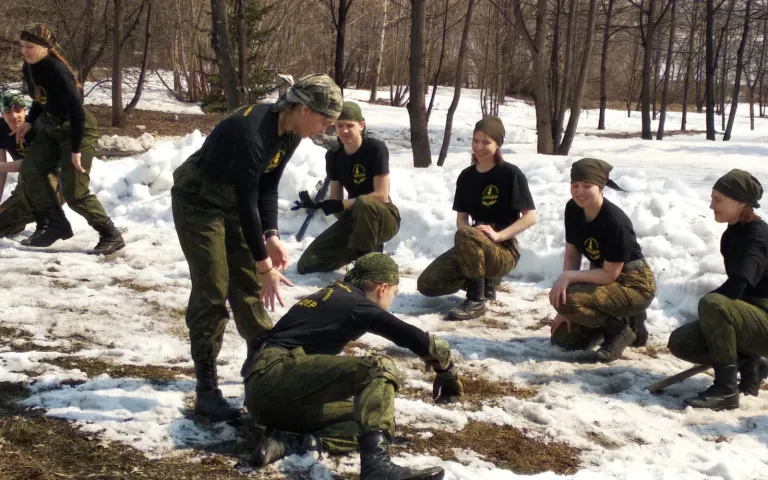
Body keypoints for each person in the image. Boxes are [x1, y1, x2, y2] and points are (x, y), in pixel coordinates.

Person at [171, 74, 342, 423]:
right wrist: (265, 265)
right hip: (199, 200)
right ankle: (206, 390)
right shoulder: (251, 133)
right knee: (213, 288)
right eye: (325, 119)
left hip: (236, 202)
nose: (327, 128)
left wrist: (272, 235)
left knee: (246, 284)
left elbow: (267, 186)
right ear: (304, 108)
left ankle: (261, 366)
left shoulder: (291, 132)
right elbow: (247, 201)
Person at [242, 253, 458, 480]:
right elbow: (413, 337)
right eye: (394, 293)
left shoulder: (333, 294)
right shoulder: (356, 302)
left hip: (266, 395)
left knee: (371, 419)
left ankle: (290, 442)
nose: (392, 301)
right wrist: (447, 369)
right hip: (274, 375)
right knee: (377, 367)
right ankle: (377, 468)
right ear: (383, 288)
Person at [11, 24, 124, 254]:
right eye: (22, 46)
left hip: (77, 130)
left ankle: (110, 234)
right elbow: (39, 99)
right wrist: (30, 121)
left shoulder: (57, 70)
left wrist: (75, 150)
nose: (25, 51)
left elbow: (78, 112)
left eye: (30, 46)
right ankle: (56, 225)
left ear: (45, 48)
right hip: (52, 128)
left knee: (74, 193)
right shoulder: (30, 67)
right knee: (31, 170)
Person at [417, 116, 537, 320]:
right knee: (427, 284)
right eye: (475, 141)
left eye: (486, 142)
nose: (479, 147)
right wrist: (468, 233)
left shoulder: (510, 174)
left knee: (468, 234)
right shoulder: (466, 177)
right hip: (473, 244)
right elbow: (461, 219)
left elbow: (531, 217)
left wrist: (498, 236)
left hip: (503, 250)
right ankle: (484, 283)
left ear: (498, 144)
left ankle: (476, 300)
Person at [668, 170, 768, 410]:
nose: (711, 205)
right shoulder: (732, 234)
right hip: (750, 317)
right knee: (681, 342)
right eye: (712, 198)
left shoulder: (757, 237)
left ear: (741, 202)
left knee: (714, 304)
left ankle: (725, 389)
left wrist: (711, 308)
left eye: (718, 199)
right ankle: (751, 364)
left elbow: (736, 287)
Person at [548, 158, 656, 363]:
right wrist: (564, 311)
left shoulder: (615, 221)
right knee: (564, 341)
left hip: (634, 284)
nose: (580, 191)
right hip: (604, 279)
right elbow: (572, 252)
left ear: (601, 187)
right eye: (575, 185)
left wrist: (568, 279)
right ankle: (623, 321)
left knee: (570, 298)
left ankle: (620, 330)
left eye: (587, 186)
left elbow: (610, 274)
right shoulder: (573, 208)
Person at [294, 101, 400, 274]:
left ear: (361, 125)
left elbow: (381, 195)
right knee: (307, 264)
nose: (344, 131)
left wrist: (342, 204)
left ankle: (370, 266)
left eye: (350, 125)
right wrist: (320, 205)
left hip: (384, 217)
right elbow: (336, 200)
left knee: (365, 203)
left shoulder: (375, 149)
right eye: (339, 125)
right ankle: (356, 250)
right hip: (354, 219)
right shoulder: (334, 156)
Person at [0, 89, 64, 238]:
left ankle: (45, 224)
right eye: (8, 112)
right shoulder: (1, 128)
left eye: (18, 110)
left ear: (24, 110)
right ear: (2, 113)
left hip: (55, 181)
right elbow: (2, 168)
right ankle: (17, 222)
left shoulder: (36, 127)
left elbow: (31, 164)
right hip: (27, 183)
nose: (14, 116)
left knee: (34, 174)